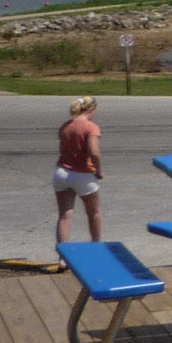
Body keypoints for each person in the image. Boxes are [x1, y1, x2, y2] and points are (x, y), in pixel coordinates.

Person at [54, 95, 105, 247]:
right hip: (83, 174)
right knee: (94, 212)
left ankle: (63, 258)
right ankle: (96, 247)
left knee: (65, 215)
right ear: (91, 109)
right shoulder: (91, 127)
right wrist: (99, 171)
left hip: (62, 173)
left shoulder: (66, 126)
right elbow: (94, 152)